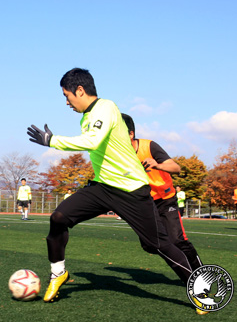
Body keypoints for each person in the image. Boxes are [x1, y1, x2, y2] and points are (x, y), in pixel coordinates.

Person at [27, 68, 194, 309]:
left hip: (131, 190)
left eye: (67, 95)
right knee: (59, 217)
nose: (66, 102)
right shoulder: (87, 117)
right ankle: (58, 273)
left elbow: (92, 141)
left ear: (80, 90)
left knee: (159, 245)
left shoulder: (106, 108)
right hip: (103, 187)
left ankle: (199, 290)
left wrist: (51, 141)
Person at [121, 113, 203, 273]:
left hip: (166, 200)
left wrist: (157, 165)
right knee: (149, 245)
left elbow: (176, 168)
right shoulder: (120, 154)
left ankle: (200, 272)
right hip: (145, 204)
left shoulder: (149, 146)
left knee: (177, 240)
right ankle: (183, 265)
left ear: (131, 134)